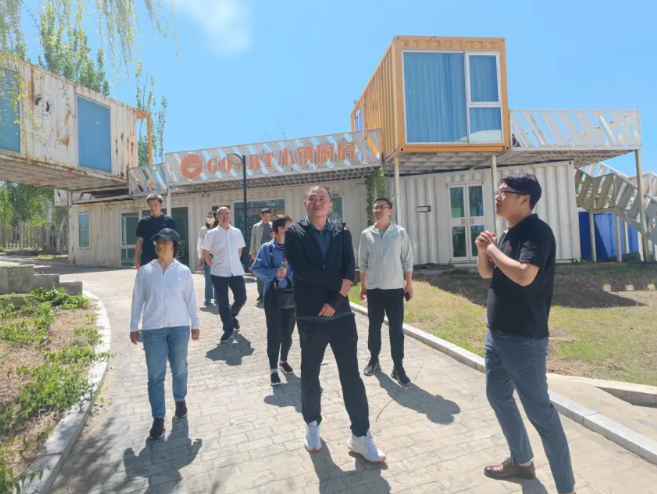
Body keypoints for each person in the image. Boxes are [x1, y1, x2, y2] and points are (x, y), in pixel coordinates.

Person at [476, 174, 575, 494]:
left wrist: (493, 249)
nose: (497, 196)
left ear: (524, 199)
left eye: (504, 192)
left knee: (541, 413)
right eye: (498, 191)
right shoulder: (509, 232)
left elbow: (523, 275)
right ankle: (521, 462)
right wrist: (484, 251)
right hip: (497, 334)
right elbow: (487, 273)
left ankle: (567, 488)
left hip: (524, 339)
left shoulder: (537, 231)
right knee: (498, 395)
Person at [285, 185, 385, 463]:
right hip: (310, 317)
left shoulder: (342, 231)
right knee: (310, 375)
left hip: (341, 316)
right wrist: (339, 286)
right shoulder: (294, 233)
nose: (318, 202)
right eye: (313, 198)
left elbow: (348, 268)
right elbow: (302, 271)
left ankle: (361, 435)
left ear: (330, 205)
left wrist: (336, 298)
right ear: (305, 204)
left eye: (323, 199)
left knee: (351, 376)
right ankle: (312, 424)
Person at [130, 228, 200, 441]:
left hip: (179, 328)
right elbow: (137, 300)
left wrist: (195, 324)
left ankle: (180, 400)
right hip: (153, 330)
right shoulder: (145, 272)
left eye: (165, 242)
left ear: (174, 246)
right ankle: (158, 418)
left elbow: (190, 299)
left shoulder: (183, 271)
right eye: (158, 242)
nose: (160, 245)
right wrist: (134, 326)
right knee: (155, 376)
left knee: (180, 369)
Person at [358, 197, 414, 386]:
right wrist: (363, 286)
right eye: (375, 207)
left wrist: (408, 284)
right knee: (374, 327)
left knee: (396, 330)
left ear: (390, 211)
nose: (378, 210)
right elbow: (363, 263)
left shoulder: (399, 233)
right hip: (374, 290)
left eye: (382, 207)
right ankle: (374, 360)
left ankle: (398, 367)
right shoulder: (366, 234)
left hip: (395, 290)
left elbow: (407, 259)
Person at [252, 214, 295, 386]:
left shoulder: (294, 247)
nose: (293, 230)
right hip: (272, 295)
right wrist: (274, 273)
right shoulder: (266, 248)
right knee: (274, 333)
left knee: (288, 333)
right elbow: (256, 269)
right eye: (289, 227)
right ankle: (273, 370)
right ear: (280, 229)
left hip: (291, 294)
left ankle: (283, 361)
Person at [203, 207, 247, 344]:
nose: (225, 215)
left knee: (241, 298)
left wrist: (232, 261)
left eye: (227, 213)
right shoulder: (211, 233)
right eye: (221, 214)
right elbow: (206, 253)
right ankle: (228, 329)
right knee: (222, 302)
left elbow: (239, 251)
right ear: (217, 217)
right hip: (218, 273)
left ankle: (231, 316)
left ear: (230, 215)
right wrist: (213, 264)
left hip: (236, 271)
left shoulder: (237, 232)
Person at [134, 193, 177, 269]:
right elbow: (140, 241)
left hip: (165, 261)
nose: (153, 208)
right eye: (150, 205)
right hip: (147, 260)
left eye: (155, 205)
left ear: (161, 205)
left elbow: (174, 242)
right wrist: (136, 259)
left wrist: (174, 258)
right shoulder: (144, 222)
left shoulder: (169, 221)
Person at [250, 208, 273, 308]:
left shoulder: (273, 225)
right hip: (260, 253)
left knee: (271, 273)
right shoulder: (256, 226)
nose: (267, 218)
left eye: (269, 216)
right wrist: (252, 252)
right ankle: (261, 295)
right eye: (265, 216)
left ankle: (269, 294)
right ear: (261, 216)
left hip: (271, 253)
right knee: (260, 275)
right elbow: (253, 239)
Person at [197, 211, 217, 306]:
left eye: (211, 216)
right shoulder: (203, 230)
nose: (209, 218)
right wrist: (200, 257)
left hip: (218, 255)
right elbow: (200, 243)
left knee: (218, 277)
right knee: (208, 278)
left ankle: (218, 297)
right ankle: (208, 298)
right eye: (208, 216)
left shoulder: (219, 228)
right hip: (207, 255)